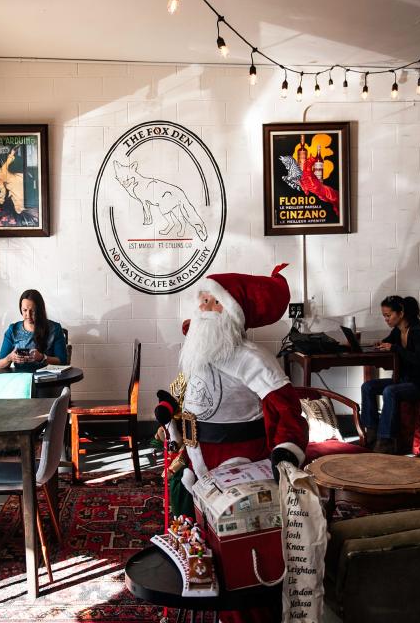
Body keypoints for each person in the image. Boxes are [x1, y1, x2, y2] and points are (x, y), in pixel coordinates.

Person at [154, 264, 308, 623]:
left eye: (212, 302)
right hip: (194, 460)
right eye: (201, 300)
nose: (203, 307)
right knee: (195, 543)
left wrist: (287, 449)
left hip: (237, 468)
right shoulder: (196, 350)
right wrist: (167, 408)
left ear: (232, 313)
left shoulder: (253, 358)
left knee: (240, 553)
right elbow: (185, 392)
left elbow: (286, 410)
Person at [360, 295, 420, 453]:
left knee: (390, 391)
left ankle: (386, 441)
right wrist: (380, 344)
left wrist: (395, 348)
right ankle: (371, 433)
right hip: (404, 380)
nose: (386, 319)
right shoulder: (398, 331)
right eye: (384, 316)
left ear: (401, 313)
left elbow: (419, 360)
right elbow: (388, 343)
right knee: (368, 386)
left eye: (388, 315)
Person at [0, 289, 68, 371]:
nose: (28, 315)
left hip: (48, 379)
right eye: (25, 310)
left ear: (40, 310)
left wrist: (42, 357)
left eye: (32, 311)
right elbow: (0, 363)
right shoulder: (13, 330)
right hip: (21, 379)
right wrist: (10, 358)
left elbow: (63, 361)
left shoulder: (54, 329)